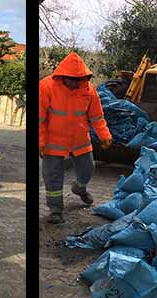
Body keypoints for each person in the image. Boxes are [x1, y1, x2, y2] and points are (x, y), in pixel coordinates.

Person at [39, 52, 113, 224]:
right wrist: (40, 142)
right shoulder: (46, 87)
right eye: (73, 79)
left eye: (79, 79)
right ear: (62, 76)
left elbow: (96, 116)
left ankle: (79, 188)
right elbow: (40, 118)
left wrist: (105, 135)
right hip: (54, 141)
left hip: (79, 139)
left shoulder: (89, 90)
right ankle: (56, 209)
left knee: (88, 168)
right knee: (52, 176)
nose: (76, 83)